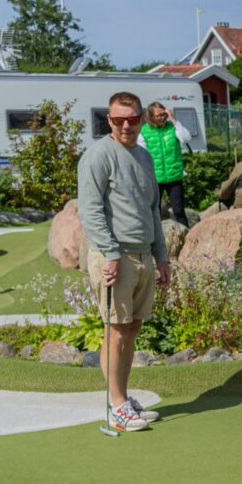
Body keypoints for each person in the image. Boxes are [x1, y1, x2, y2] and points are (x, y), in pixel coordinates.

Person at [78, 92, 170, 432]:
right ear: (109, 120)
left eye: (132, 119)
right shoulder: (98, 155)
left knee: (131, 328)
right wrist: (111, 253)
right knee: (116, 331)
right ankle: (116, 405)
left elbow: (152, 210)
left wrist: (161, 256)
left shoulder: (144, 157)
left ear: (142, 118)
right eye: (119, 120)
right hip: (114, 256)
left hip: (143, 254)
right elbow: (90, 211)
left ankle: (123, 398)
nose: (126, 126)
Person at [138, 102, 193, 226]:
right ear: (151, 117)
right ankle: (155, 236)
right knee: (155, 211)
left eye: (164, 114)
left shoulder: (172, 127)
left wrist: (173, 119)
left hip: (174, 177)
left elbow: (186, 138)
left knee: (179, 211)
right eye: (159, 115)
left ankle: (186, 235)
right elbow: (141, 155)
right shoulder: (143, 132)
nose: (162, 117)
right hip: (154, 179)